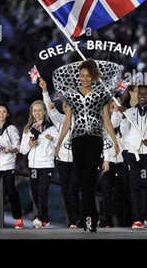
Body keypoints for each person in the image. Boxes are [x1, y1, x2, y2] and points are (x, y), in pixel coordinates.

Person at [55, 59, 120, 232]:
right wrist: (58, 143)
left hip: (95, 139)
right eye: (82, 76)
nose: (84, 79)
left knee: (89, 177)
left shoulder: (101, 95)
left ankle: (88, 216)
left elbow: (106, 120)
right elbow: (68, 121)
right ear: (78, 77)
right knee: (84, 180)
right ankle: (90, 216)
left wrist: (115, 141)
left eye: (88, 76)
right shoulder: (72, 95)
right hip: (77, 140)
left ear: (93, 77)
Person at [119, 85, 147, 229]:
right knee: (135, 186)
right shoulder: (130, 111)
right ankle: (137, 219)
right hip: (133, 152)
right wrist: (124, 118)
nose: (142, 96)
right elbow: (124, 132)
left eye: (145, 94)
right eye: (140, 94)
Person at [39, 78, 79, 228]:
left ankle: (81, 217)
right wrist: (44, 91)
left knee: (73, 190)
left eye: (69, 104)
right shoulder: (60, 120)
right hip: (61, 160)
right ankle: (74, 220)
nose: (66, 106)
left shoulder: (80, 121)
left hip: (76, 161)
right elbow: (51, 111)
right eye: (64, 104)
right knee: (66, 191)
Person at [20, 100, 59, 228]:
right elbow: (22, 150)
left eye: (39, 110)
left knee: (43, 192)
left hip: (46, 165)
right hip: (33, 166)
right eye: (34, 110)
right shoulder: (28, 129)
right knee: (36, 193)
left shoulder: (51, 128)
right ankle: (45, 218)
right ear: (32, 112)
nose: (37, 113)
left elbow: (59, 146)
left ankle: (41, 217)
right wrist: (29, 145)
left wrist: (52, 139)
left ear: (44, 111)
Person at [100, 98, 132, 227]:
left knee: (125, 192)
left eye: (116, 105)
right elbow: (108, 135)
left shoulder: (127, 119)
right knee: (106, 192)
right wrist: (106, 160)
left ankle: (126, 221)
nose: (114, 108)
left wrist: (121, 114)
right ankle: (107, 221)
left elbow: (125, 132)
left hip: (123, 161)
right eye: (112, 106)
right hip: (109, 161)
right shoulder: (105, 124)